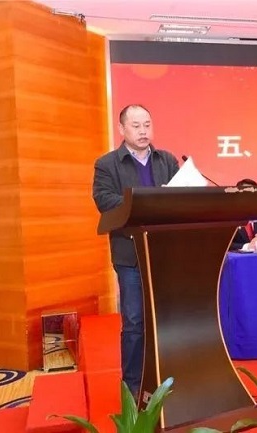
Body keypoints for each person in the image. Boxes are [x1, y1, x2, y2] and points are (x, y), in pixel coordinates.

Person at [92, 104, 179, 397]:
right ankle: (132, 388)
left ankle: (167, 379)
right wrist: (145, 202)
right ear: (122, 129)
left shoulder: (167, 160)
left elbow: (180, 196)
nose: (143, 131)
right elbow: (104, 200)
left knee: (167, 319)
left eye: (147, 125)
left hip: (164, 253)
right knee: (134, 322)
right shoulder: (107, 164)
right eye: (136, 125)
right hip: (129, 254)